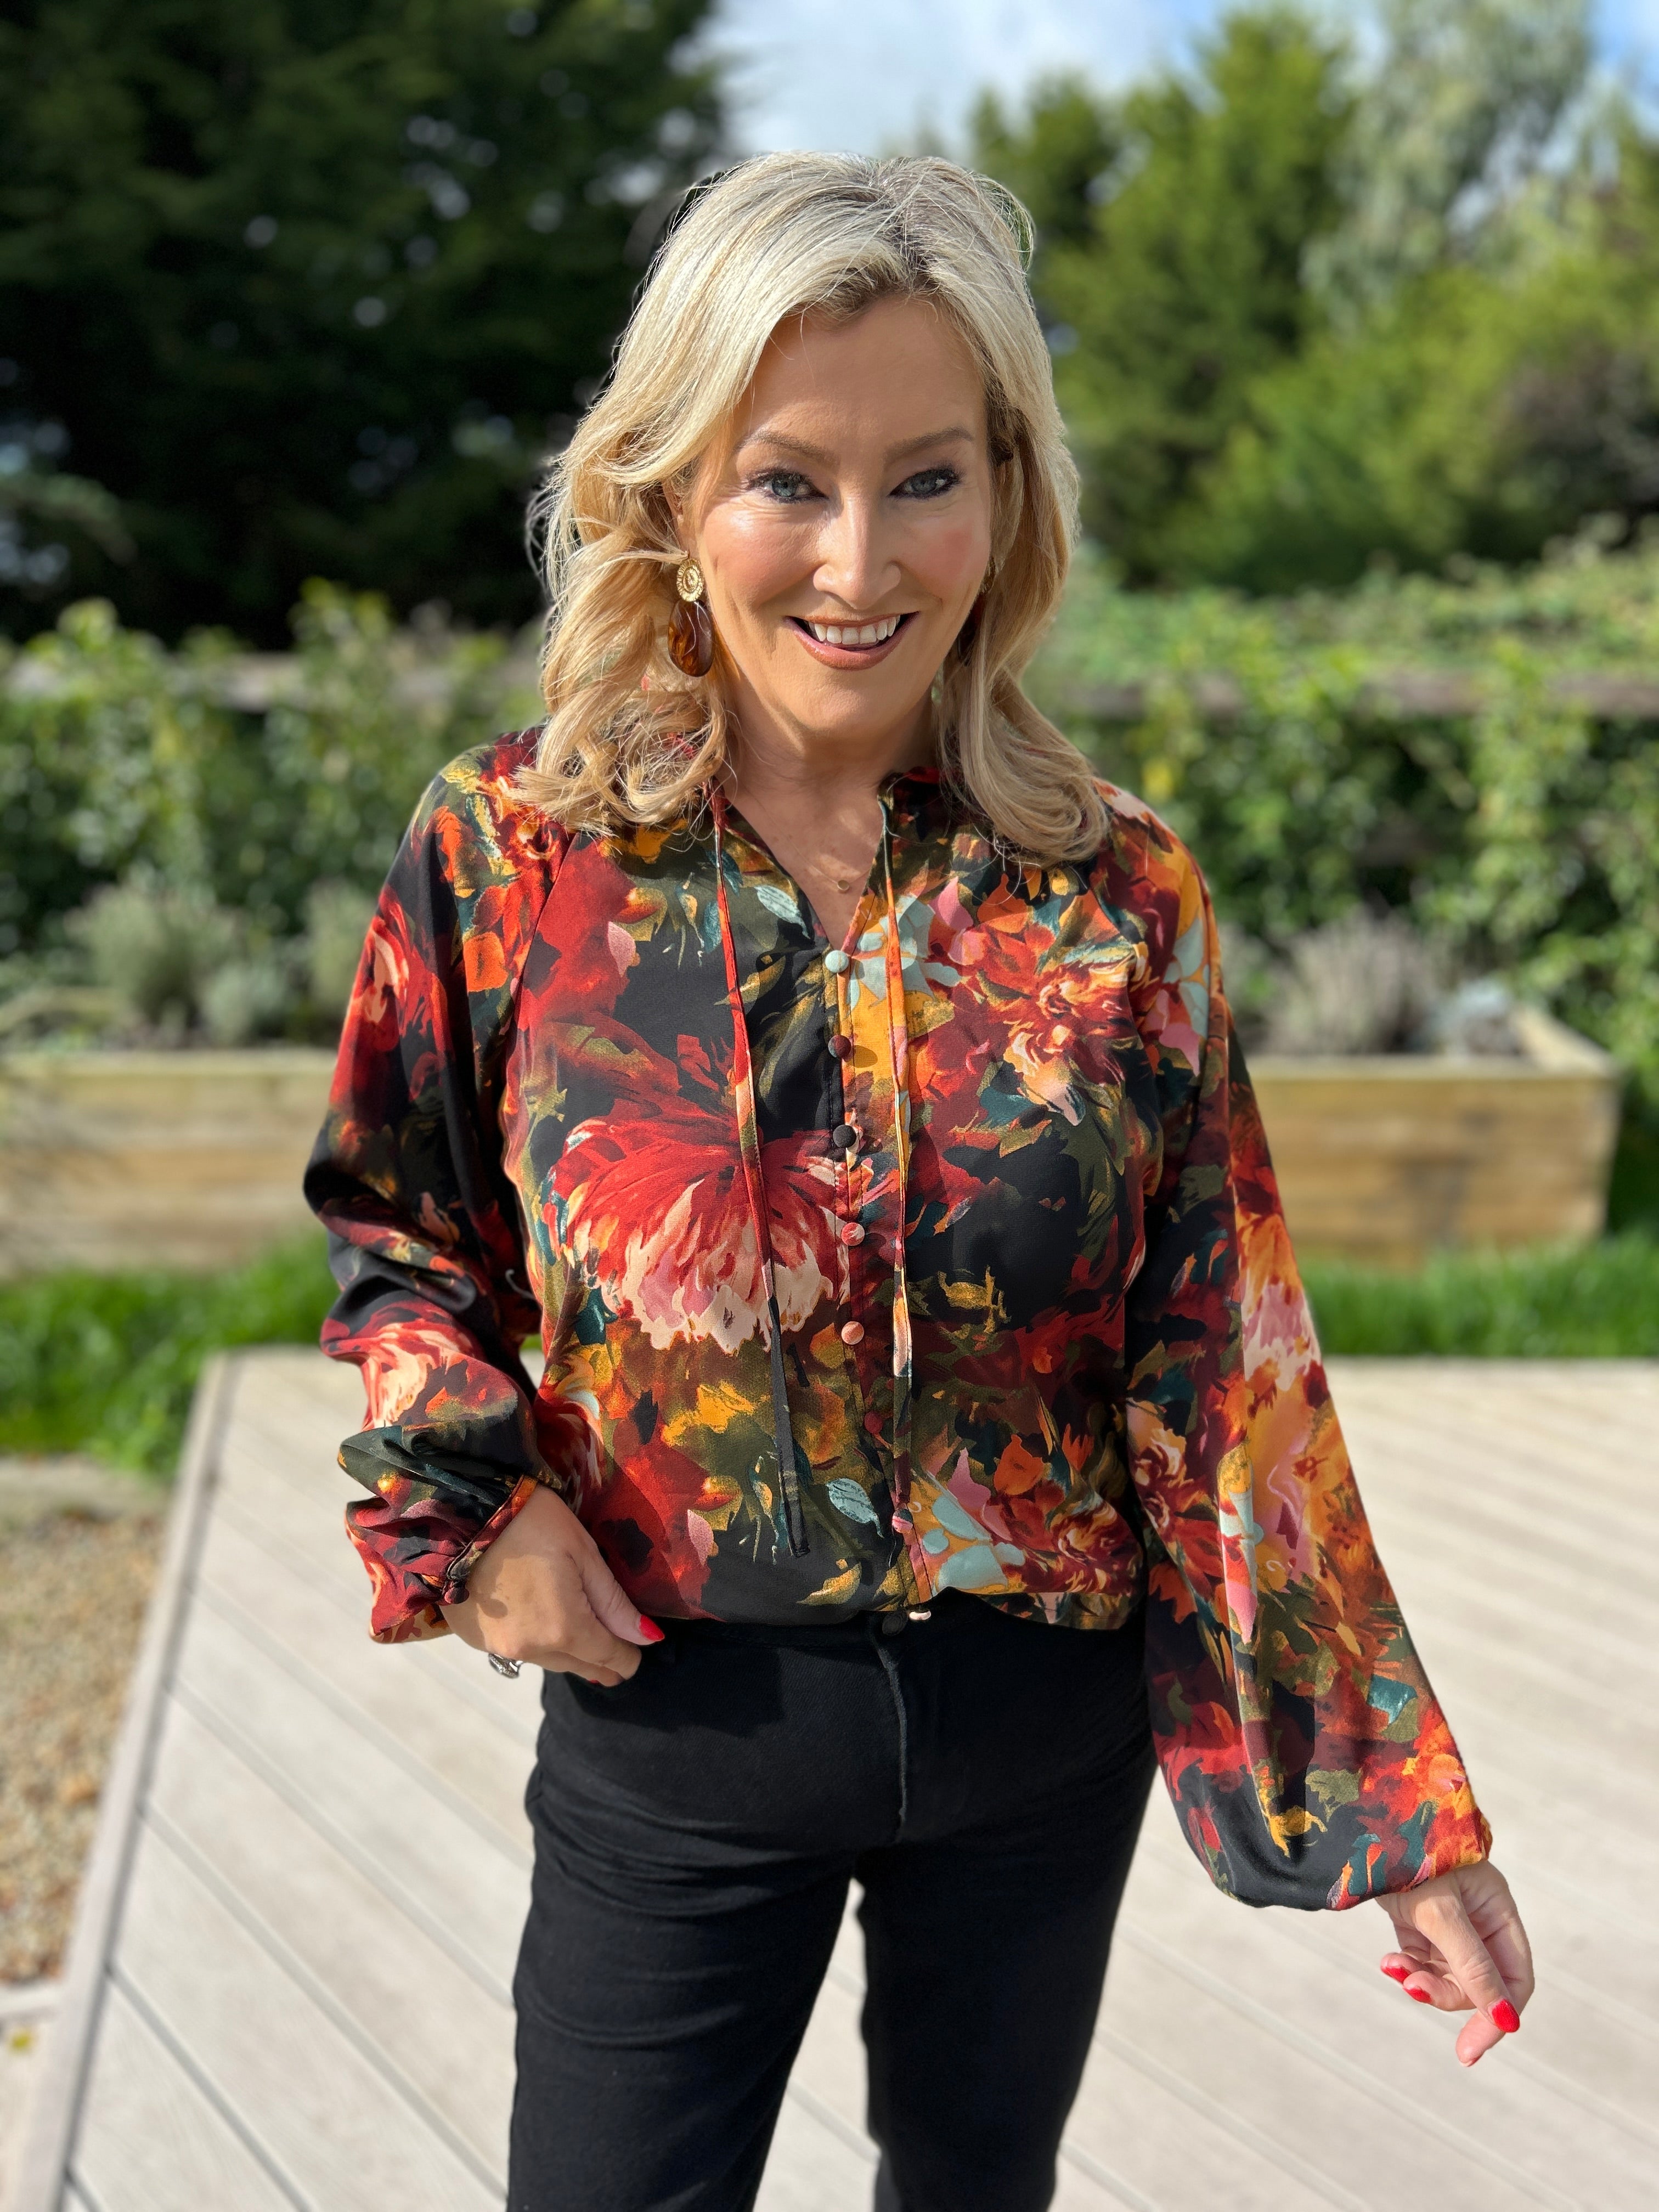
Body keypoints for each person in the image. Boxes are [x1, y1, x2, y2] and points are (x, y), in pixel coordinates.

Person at [305, 153, 1533, 2212]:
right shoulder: (513, 853)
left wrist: (1400, 1813)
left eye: (929, 479)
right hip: (677, 1728)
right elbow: (396, 1219)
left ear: (1010, 498)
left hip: (1043, 1755)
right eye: (787, 480)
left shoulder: (1116, 890)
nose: (859, 561)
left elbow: (1227, 1362)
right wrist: (474, 1511)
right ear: (673, 499)